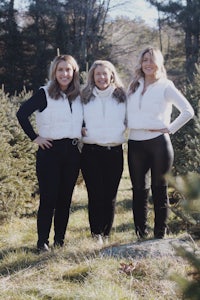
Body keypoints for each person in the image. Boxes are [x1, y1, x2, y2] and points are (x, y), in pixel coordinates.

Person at [16, 55, 83, 252]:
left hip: (72, 152)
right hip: (50, 152)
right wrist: (35, 137)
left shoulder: (77, 96)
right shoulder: (44, 93)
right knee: (49, 198)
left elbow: (79, 119)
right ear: (54, 72)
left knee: (65, 199)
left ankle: (59, 241)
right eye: (60, 70)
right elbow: (21, 113)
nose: (64, 74)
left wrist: (83, 129)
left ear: (74, 72)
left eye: (68, 70)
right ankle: (42, 242)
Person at [127, 46, 194, 239]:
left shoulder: (166, 86)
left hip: (158, 144)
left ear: (159, 63)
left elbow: (188, 111)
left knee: (159, 189)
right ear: (141, 63)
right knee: (138, 190)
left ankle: (159, 233)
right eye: (144, 59)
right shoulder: (134, 85)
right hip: (135, 143)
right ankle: (140, 232)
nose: (148, 63)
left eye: (152, 59)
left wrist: (169, 128)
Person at [81, 60, 126, 245]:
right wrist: (79, 127)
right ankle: (96, 234)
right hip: (91, 152)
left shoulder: (122, 96)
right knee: (95, 193)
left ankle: (106, 235)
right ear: (92, 76)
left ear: (111, 75)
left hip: (114, 151)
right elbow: (74, 116)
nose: (101, 77)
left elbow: (134, 116)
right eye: (97, 74)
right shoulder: (84, 96)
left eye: (104, 73)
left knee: (110, 195)